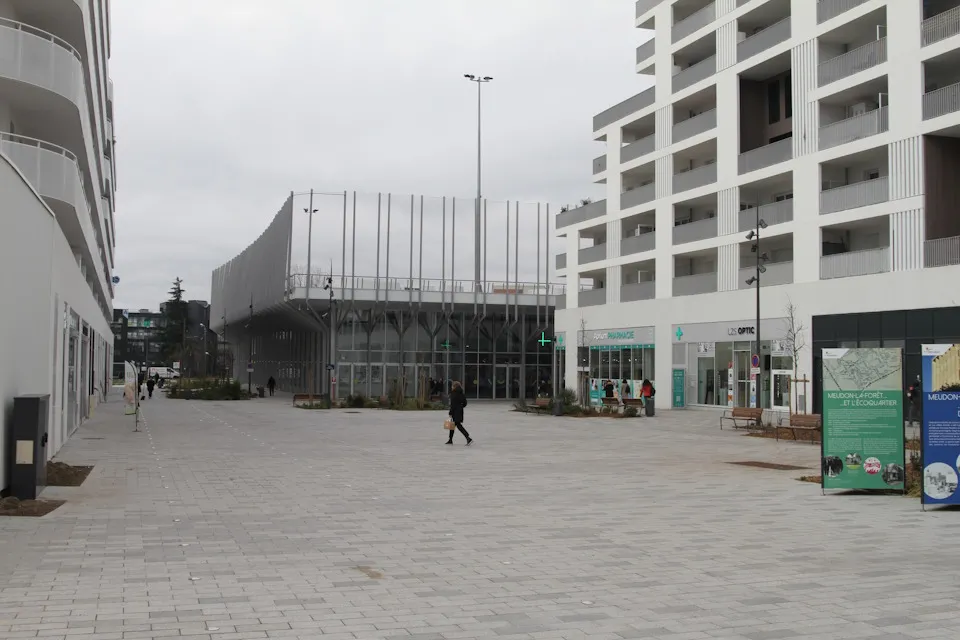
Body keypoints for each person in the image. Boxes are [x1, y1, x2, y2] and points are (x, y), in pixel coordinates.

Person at [446, 381, 473, 446]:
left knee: (458, 425)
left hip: (455, 412)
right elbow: (465, 402)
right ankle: (450, 439)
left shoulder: (454, 393)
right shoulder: (461, 393)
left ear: (454, 386)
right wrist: (460, 407)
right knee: (452, 425)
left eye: (452, 386)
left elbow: (453, 405)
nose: (451, 387)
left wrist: (450, 412)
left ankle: (468, 438)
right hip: (460, 411)